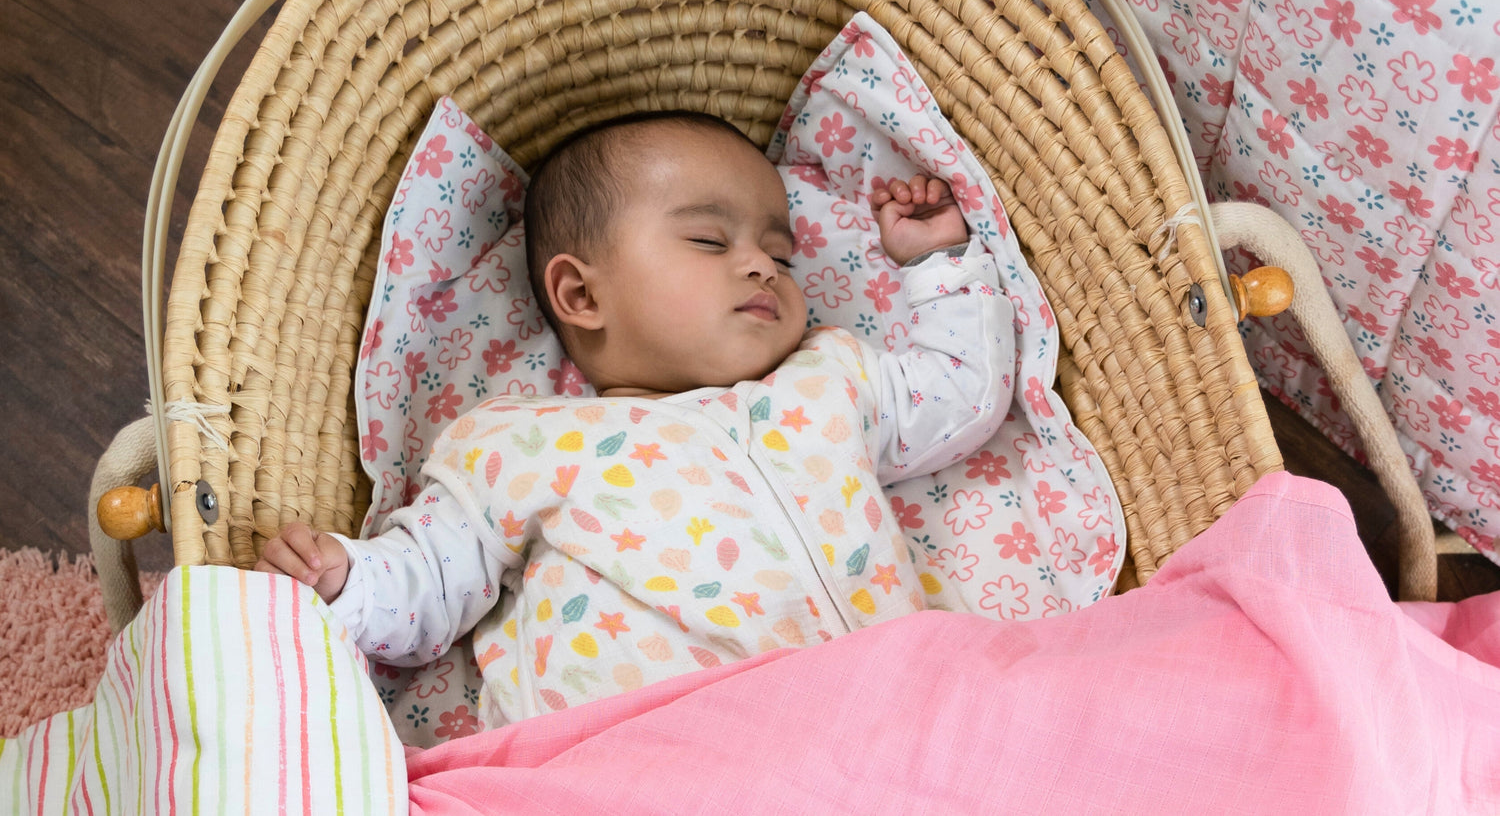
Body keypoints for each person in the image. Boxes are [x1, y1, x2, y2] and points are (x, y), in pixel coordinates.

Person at [255, 110, 1017, 726]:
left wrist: (938, 265)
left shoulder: (826, 380)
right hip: (641, 754)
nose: (760, 265)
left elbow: (961, 397)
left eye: (781, 257)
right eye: (709, 241)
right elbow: (432, 577)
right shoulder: (520, 441)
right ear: (582, 296)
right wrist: (347, 582)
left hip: (885, 722)